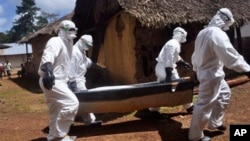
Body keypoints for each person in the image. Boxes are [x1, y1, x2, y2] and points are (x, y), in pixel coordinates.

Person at [189, 8, 250, 141]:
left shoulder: (202, 32)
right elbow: (230, 55)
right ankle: (195, 136)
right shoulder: (217, 34)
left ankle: (214, 122)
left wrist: (195, 69)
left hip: (209, 73)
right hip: (210, 75)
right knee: (204, 104)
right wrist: (247, 69)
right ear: (225, 21)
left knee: (224, 94)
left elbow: (195, 55)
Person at [38, 20, 79, 141]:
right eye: (71, 29)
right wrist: (48, 70)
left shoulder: (69, 44)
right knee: (72, 103)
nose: (74, 32)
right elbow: (48, 54)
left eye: (75, 29)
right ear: (63, 30)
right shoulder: (56, 41)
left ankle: (52, 135)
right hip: (51, 79)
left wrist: (71, 80)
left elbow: (66, 64)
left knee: (55, 109)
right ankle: (60, 135)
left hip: (59, 81)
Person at [149, 27, 194, 115]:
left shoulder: (175, 43)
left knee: (176, 87)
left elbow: (175, 56)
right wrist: (168, 74)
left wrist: (183, 62)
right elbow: (169, 59)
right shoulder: (172, 44)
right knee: (165, 89)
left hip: (168, 68)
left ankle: (189, 107)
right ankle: (154, 110)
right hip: (164, 68)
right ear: (180, 35)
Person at [68, 34, 102, 126]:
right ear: (81, 41)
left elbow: (87, 62)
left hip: (80, 81)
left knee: (82, 102)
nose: (87, 47)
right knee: (76, 103)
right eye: (86, 45)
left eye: (89, 46)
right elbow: (70, 69)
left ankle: (89, 121)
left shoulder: (81, 52)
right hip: (74, 81)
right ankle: (68, 123)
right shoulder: (73, 52)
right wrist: (73, 84)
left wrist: (98, 68)